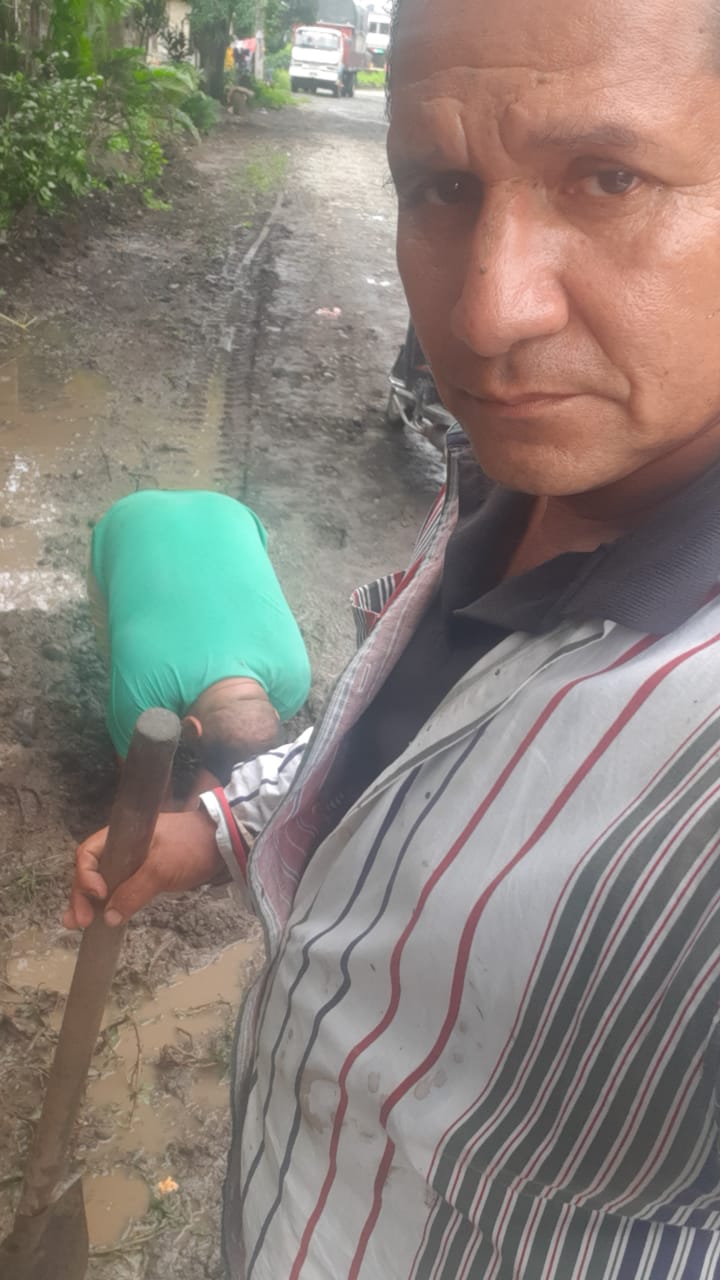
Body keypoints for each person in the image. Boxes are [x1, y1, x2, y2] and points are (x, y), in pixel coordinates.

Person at [67, 0, 720, 1273]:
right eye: (439, 186)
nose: (485, 312)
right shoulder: (510, 483)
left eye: (609, 177)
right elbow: (415, 744)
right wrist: (227, 822)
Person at [88, 489, 310, 800]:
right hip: (126, 521)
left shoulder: (295, 678)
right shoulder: (139, 695)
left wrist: (197, 804)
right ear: (188, 729)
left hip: (230, 513)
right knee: (111, 651)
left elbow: (242, 759)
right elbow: (142, 792)